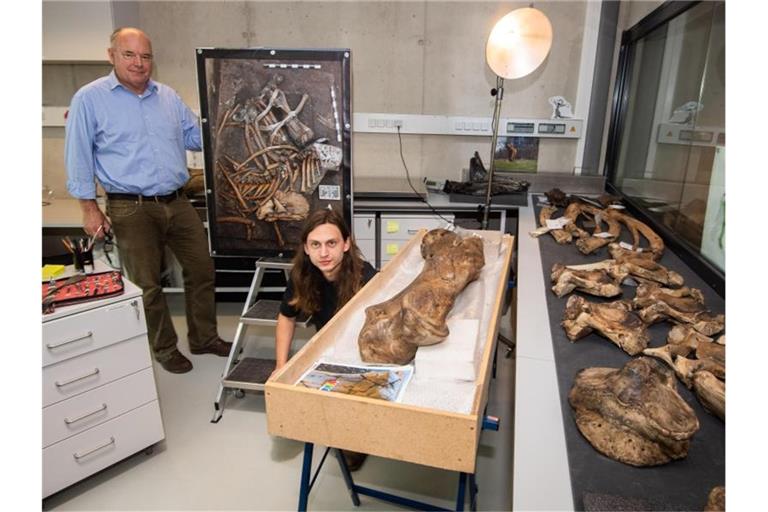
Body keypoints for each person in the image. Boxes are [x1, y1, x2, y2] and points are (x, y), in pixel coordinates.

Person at [64, 27, 231, 374]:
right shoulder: (89, 99)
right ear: (111, 55)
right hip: (130, 206)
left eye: (145, 56)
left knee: (201, 268)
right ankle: (165, 348)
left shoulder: (167, 97)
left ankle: (203, 338)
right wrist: (88, 207)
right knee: (147, 283)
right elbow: (78, 154)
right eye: (129, 55)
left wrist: (222, 121)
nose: (139, 63)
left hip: (177, 200)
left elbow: (194, 137)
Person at [274, 208, 377, 471]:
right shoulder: (302, 276)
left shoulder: (366, 279)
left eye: (331, 243)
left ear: (346, 244)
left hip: (365, 351)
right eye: (315, 245)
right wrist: (281, 364)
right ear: (306, 249)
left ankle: (357, 440)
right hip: (328, 348)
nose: (324, 253)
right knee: (288, 389)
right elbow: (286, 317)